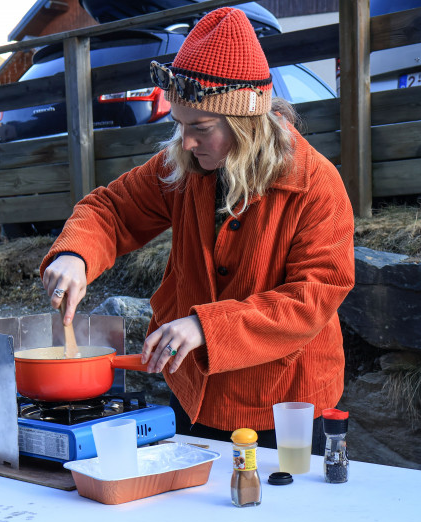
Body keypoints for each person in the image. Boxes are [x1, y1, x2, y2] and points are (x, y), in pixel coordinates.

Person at [40, 7, 355, 453]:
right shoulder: (184, 167)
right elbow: (111, 210)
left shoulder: (316, 186)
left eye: (200, 128)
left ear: (247, 124)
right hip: (193, 396)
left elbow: (312, 299)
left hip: (285, 411)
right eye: (180, 125)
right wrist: (75, 255)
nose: (186, 142)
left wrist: (207, 328)